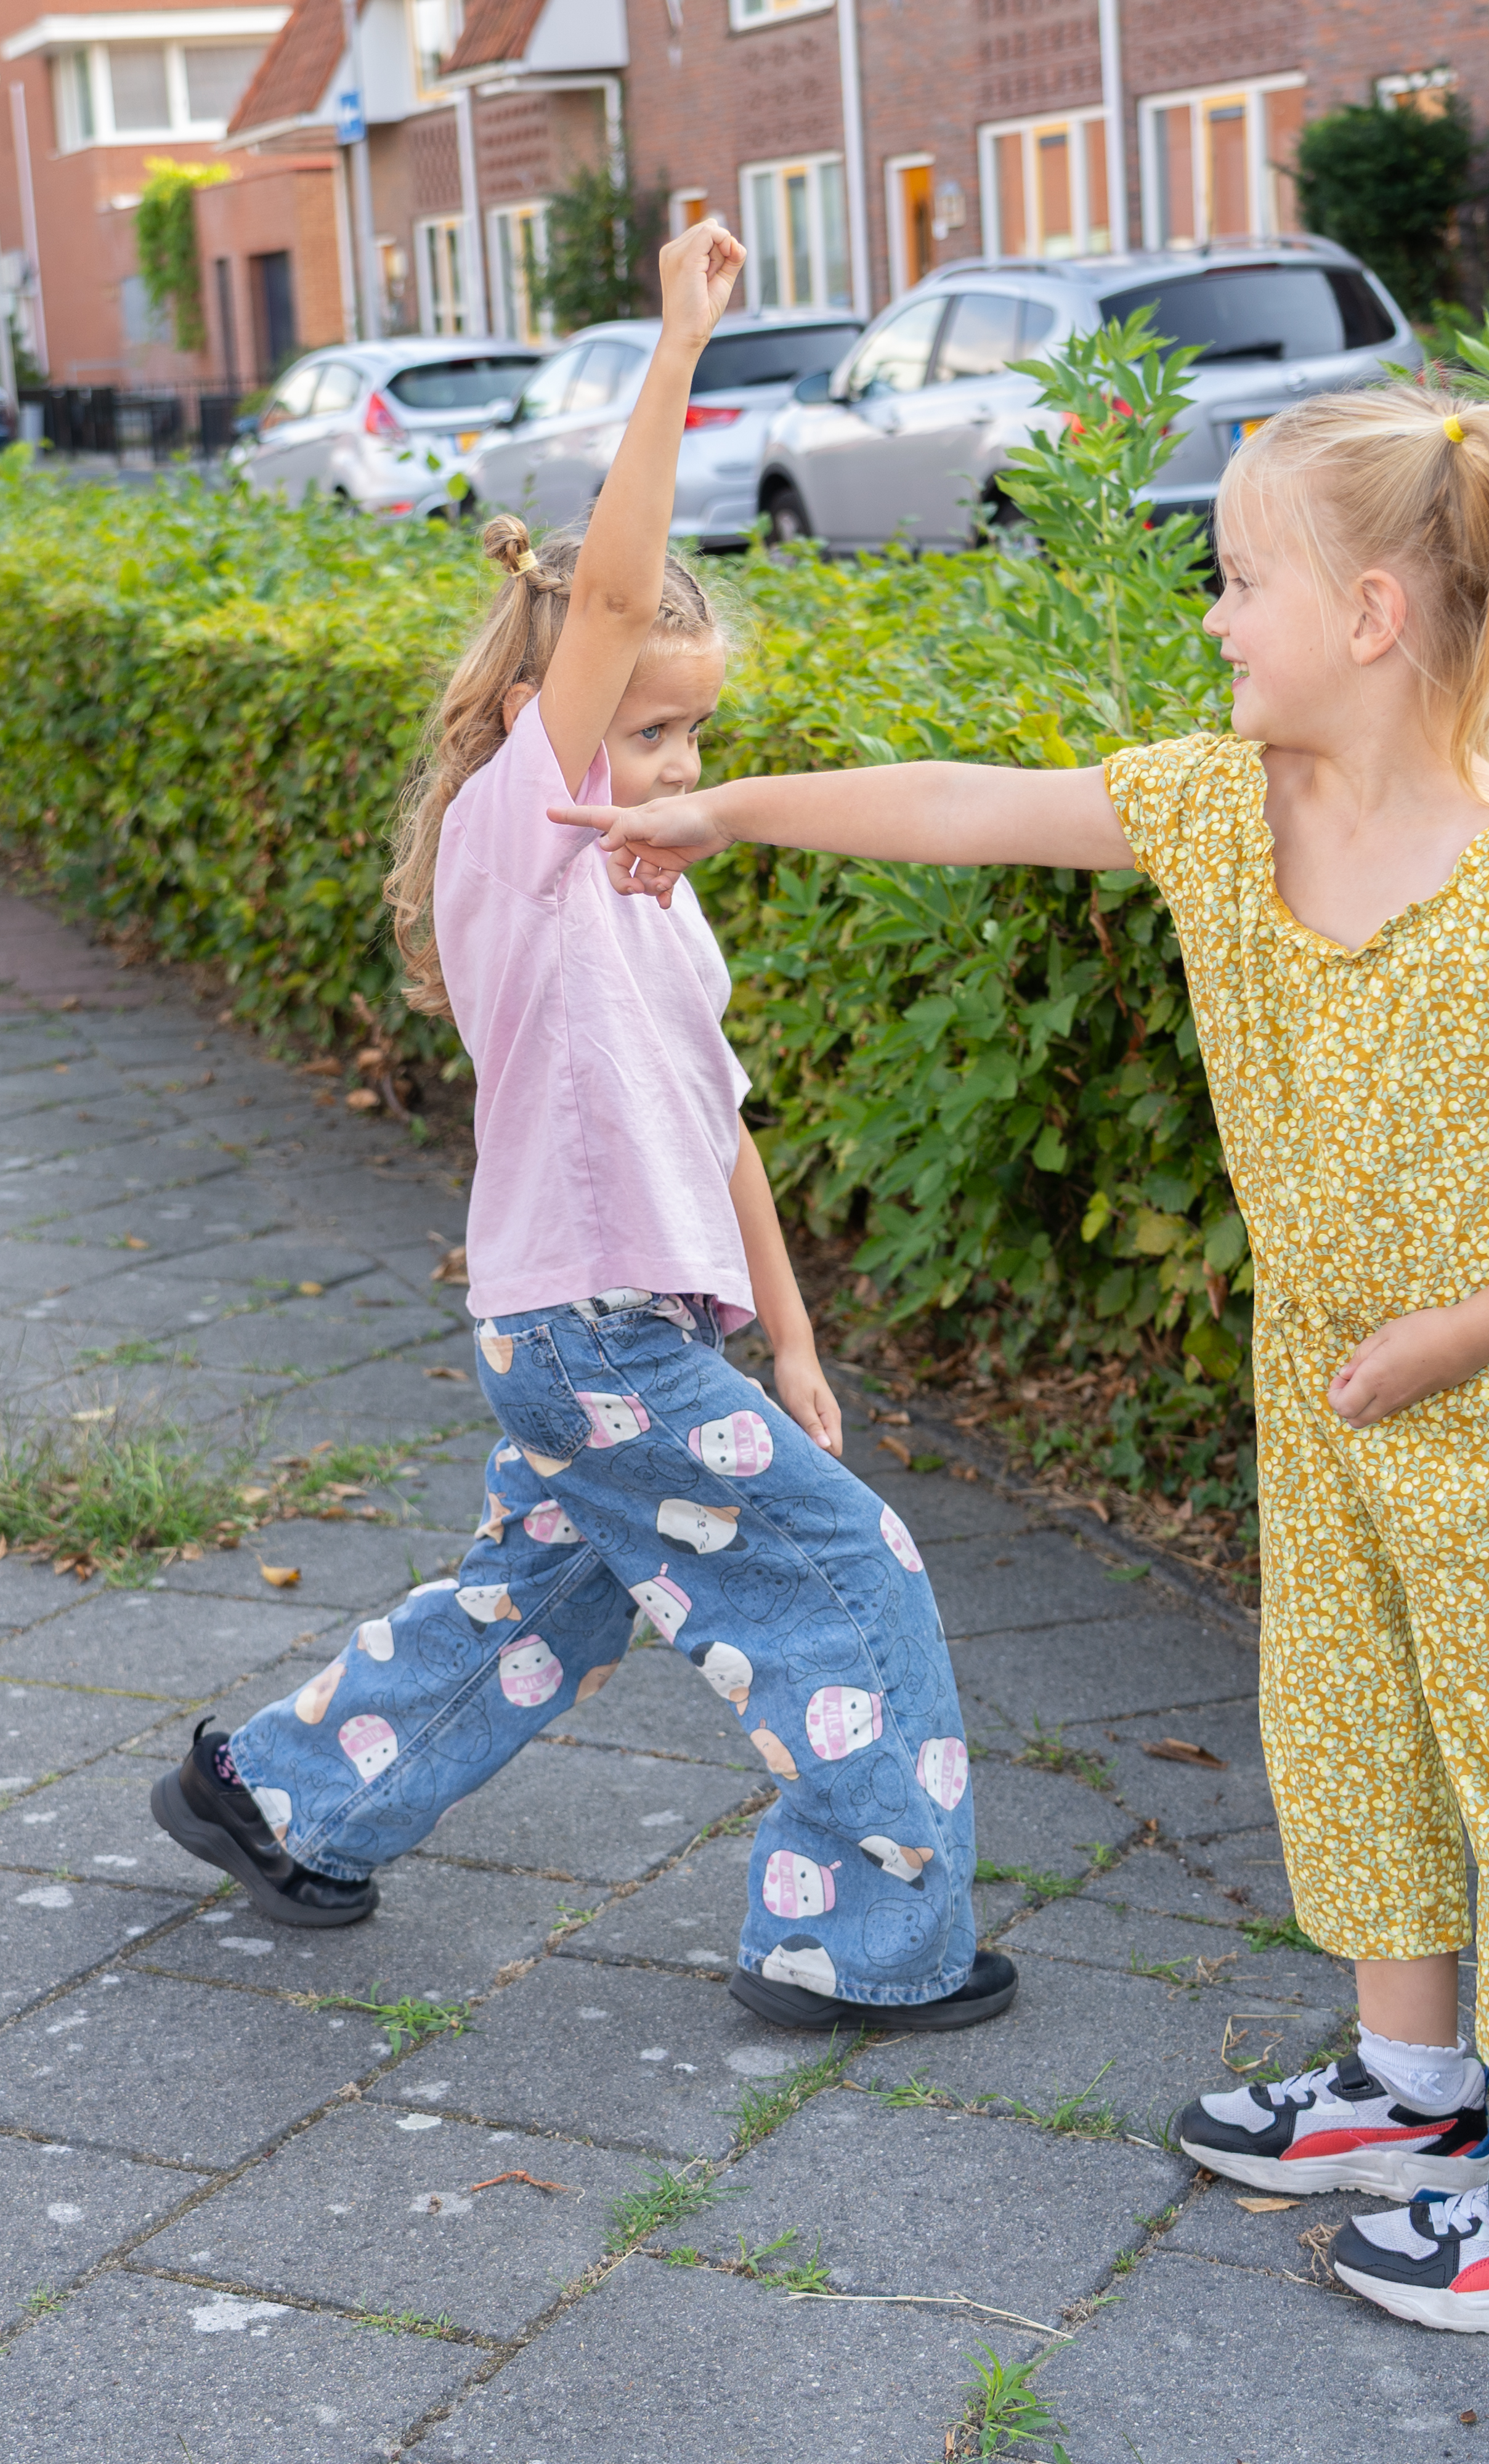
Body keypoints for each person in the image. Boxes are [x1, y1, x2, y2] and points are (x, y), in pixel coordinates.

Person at [559, 388, 1489, 2330]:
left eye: (1241, 581)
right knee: (1346, 1717)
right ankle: (1414, 2092)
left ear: (1370, 617)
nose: (1213, 616)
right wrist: (722, 810)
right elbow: (968, 806)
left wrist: (1469, 1330)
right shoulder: (1220, 807)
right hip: (1322, 1386)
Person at [150, 218, 1015, 2035]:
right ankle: (860, 1941)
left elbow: (724, 1130)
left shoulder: (656, 905)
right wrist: (678, 349)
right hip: (587, 1333)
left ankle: (281, 1797)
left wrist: (792, 1341)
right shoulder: (524, 841)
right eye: (644, 735)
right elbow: (610, 602)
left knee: (546, 1604)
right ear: (539, 725)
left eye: (696, 738)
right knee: (849, 1577)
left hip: (633, 1334)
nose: (676, 769)